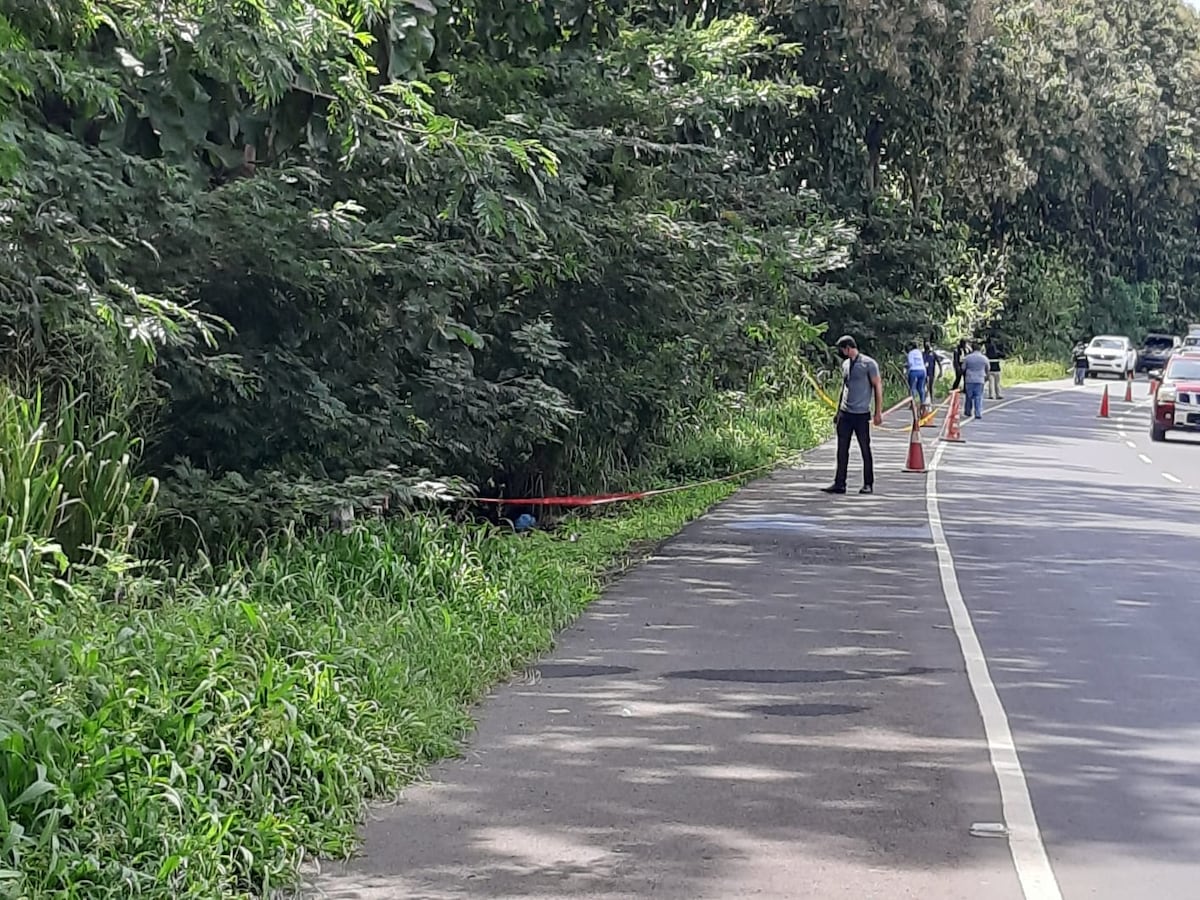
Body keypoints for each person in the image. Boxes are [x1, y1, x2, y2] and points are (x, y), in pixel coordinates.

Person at [822, 335, 884, 495]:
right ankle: (839, 483)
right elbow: (845, 388)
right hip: (845, 413)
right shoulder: (846, 364)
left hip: (861, 414)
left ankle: (868, 483)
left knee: (865, 449)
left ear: (848, 348)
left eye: (843, 350)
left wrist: (878, 412)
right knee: (842, 449)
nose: (842, 353)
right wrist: (838, 412)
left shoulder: (869, 364)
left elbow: (877, 387)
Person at [963, 342, 990, 419]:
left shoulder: (967, 358)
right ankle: (978, 413)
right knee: (978, 396)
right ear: (980, 349)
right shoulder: (984, 358)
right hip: (980, 379)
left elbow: (963, 368)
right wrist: (986, 377)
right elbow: (988, 368)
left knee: (969, 396)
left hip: (969, 379)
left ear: (972, 348)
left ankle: (968, 411)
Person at [905, 340, 927, 411]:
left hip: (914, 371)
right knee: (921, 388)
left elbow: (910, 363)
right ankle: (923, 402)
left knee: (913, 388)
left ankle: (913, 404)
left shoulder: (910, 353)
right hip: (922, 371)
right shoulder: (919, 352)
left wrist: (905, 366)